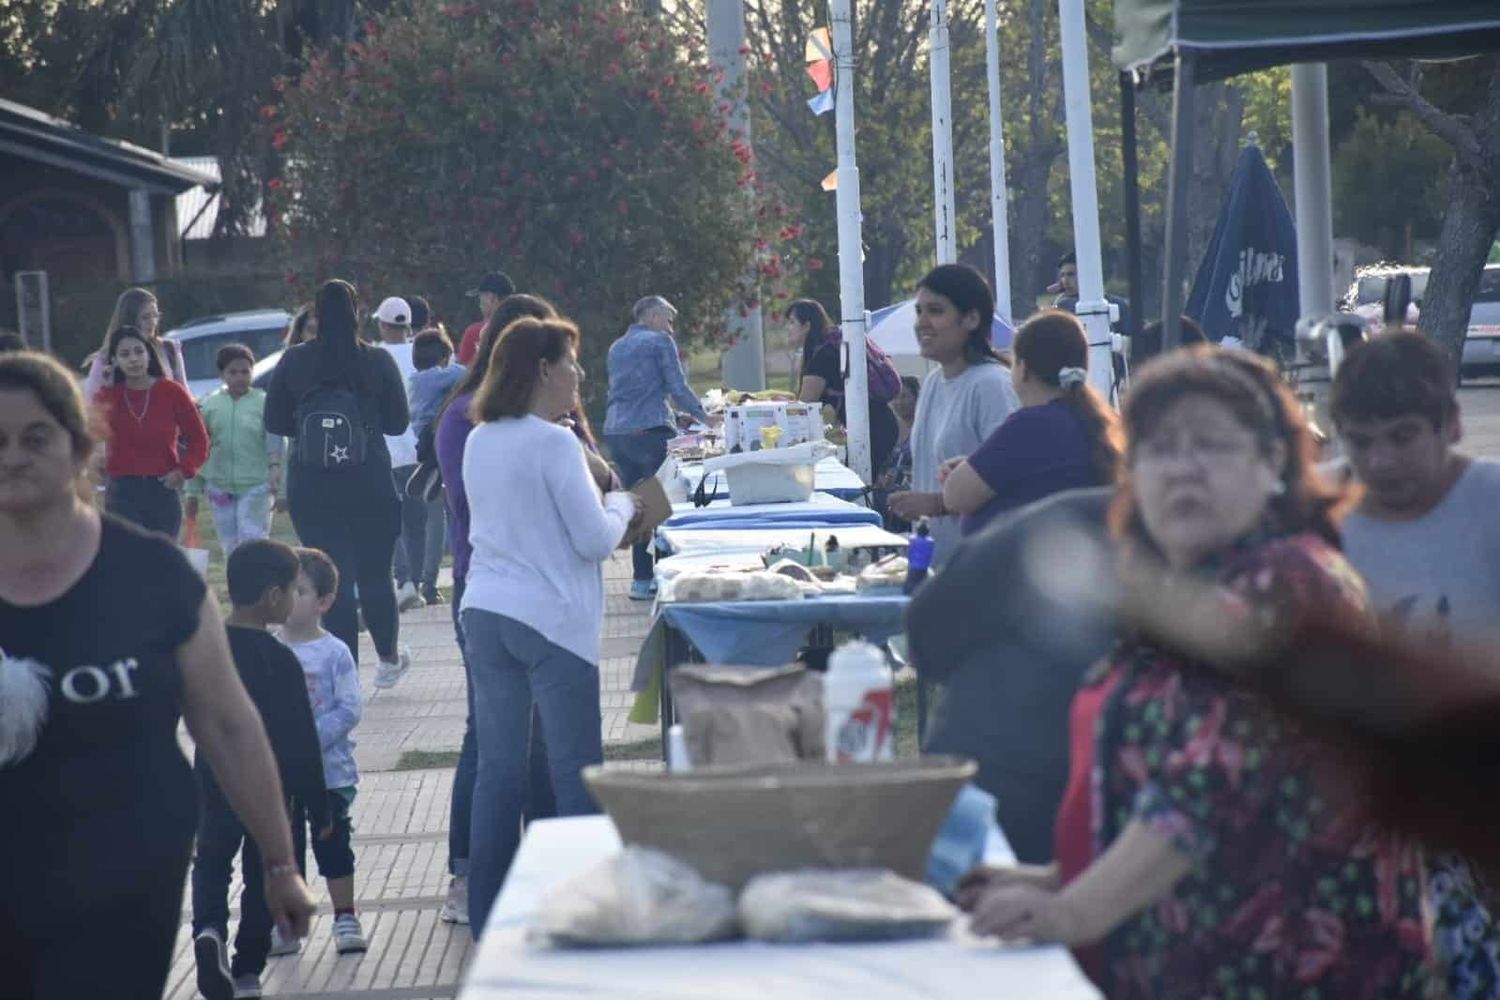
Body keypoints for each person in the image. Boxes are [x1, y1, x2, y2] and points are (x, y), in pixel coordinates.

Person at [960, 347, 1431, 997]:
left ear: (1272, 463)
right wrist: (1056, 876)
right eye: (1157, 449)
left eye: (1210, 446)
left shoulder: (1289, 581)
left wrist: (1074, 911)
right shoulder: (1189, 587)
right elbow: (1148, 777)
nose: (1183, 469)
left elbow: (1205, 788)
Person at [0, 351, 314, 998]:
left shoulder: (152, 575)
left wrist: (280, 864)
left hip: (130, 867)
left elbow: (228, 724)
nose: (13, 456)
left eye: (35, 437)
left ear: (83, 446)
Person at [1332, 331, 1500, 999]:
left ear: (1450, 424)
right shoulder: (1314, 513)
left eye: (1402, 437)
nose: (1380, 459)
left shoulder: (1491, 503)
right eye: (1360, 440)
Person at [460, 316, 640, 932]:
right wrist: (624, 504)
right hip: (552, 622)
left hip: (485, 612)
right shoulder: (556, 444)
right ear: (543, 370)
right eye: (572, 363)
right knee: (575, 776)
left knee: (498, 776)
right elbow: (594, 541)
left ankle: (487, 918)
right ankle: (586, 913)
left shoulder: (480, 437)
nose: (580, 375)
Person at [432, 292, 558, 924]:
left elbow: (601, 484)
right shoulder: (463, 419)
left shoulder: (554, 420)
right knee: (489, 733)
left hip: (549, 594)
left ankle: (545, 869)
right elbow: (476, 508)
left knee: (540, 741)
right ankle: (468, 876)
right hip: (488, 591)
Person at [908, 486, 1115, 865]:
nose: (1185, 468)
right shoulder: (1046, 531)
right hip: (999, 807)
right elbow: (928, 634)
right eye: (1164, 448)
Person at [191, 539, 331, 1000]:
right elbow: (302, 742)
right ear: (273, 596)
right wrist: (318, 805)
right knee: (264, 872)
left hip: (211, 778)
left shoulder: (206, 651)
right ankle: (248, 967)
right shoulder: (280, 661)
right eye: (292, 590)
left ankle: (208, 929)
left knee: (211, 861)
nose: (293, 599)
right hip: (272, 790)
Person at [264, 279, 413, 686]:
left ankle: (344, 671)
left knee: (332, 577)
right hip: (370, 480)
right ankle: (387, 660)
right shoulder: (377, 361)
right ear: (358, 316)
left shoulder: (294, 362)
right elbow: (399, 422)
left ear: (316, 315)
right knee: (376, 574)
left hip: (312, 485)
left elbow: (275, 421)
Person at [939, 310, 1123, 536]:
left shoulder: (1029, 426)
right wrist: (976, 464)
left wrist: (967, 471)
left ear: (1023, 368)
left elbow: (955, 497)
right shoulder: (1097, 421)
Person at [887, 264, 1019, 565]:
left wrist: (937, 504)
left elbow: (1013, 484)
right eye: (918, 311)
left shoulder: (992, 385)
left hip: (982, 567)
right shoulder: (933, 381)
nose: (922, 323)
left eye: (935, 311)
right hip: (936, 565)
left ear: (971, 319)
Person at [278, 547, 369, 958]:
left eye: (299, 590)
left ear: (324, 602)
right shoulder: (269, 648)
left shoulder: (335, 653)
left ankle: (345, 916)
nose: (286, 598)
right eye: (282, 589)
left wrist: (307, 739)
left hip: (329, 773)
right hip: (280, 775)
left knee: (333, 843)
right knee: (286, 848)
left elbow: (349, 707)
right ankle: (289, 925)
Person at [604, 295, 717, 600]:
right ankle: (663, 576)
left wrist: (672, 414)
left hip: (618, 432)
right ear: (652, 317)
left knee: (638, 504)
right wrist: (705, 417)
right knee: (662, 503)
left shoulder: (617, 346)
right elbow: (677, 387)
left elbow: (635, 391)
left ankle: (641, 579)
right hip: (649, 432)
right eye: (668, 319)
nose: (670, 327)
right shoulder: (659, 343)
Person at [94, 325, 209, 538]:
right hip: (122, 491)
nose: (134, 359)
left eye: (139, 351)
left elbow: (199, 440)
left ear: (149, 354)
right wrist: (108, 386)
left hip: (162, 488)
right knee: (128, 563)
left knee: (161, 561)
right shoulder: (110, 395)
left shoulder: (171, 392)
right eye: (125, 354)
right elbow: (91, 431)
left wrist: (183, 471)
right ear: (115, 360)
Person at [186, 343, 282, 554]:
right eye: (233, 372)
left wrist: (280, 483)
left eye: (245, 371)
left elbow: (276, 443)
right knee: (230, 547)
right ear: (221, 374)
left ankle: (258, 585)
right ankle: (238, 585)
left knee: (254, 543)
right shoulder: (210, 405)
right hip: (220, 489)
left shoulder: (264, 403)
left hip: (257, 487)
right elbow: (198, 448)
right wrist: (192, 491)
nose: (240, 377)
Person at [785, 299, 898, 475]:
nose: (788, 328)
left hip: (873, 431)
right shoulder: (827, 350)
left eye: (792, 322)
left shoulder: (821, 357)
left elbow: (803, 408)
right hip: (877, 427)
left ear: (807, 325)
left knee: (861, 486)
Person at [369, 296, 428, 612]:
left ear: (382, 324)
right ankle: (414, 585)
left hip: (385, 449)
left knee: (392, 521)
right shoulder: (421, 352)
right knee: (416, 521)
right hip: (417, 448)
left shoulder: (374, 356)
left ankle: (403, 578)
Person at [408, 328, 466, 605]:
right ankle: (434, 471)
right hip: (434, 432)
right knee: (440, 454)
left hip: (422, 435)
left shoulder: (416, 378)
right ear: (443, 358)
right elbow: (463, 375)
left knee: (435, 459)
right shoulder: (438, 376)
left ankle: (431, 471)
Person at [84, 287, 187, 397]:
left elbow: (185, 395)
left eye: (155, 315)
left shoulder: (168, 349)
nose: (152, 322)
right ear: (130, 319)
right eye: (145, 317)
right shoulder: (105, 359)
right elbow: (92, 405)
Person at [1051, 250, 1131, 339]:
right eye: (1062, 275)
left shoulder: (1117, 304)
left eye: (1071, 274)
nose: (1065, 281)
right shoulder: (1062, 307)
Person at [457, 270, 515, 366]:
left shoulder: (474, 332)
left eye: (481, 297)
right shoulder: (524, 329)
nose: (480, 304)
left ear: (491, 298)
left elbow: (462, 373)